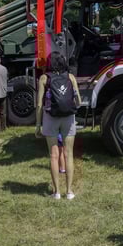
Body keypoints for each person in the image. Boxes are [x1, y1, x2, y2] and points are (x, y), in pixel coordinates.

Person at [35, 53, 81, 200]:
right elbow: (78, 100)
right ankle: (69, 191)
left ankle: (56, 192)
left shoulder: (44, 78)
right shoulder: (70, 77)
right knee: (69, 154)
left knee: (54, 155)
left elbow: (39, 104)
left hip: (50, 118)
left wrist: (38, 124)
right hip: (68, 118)